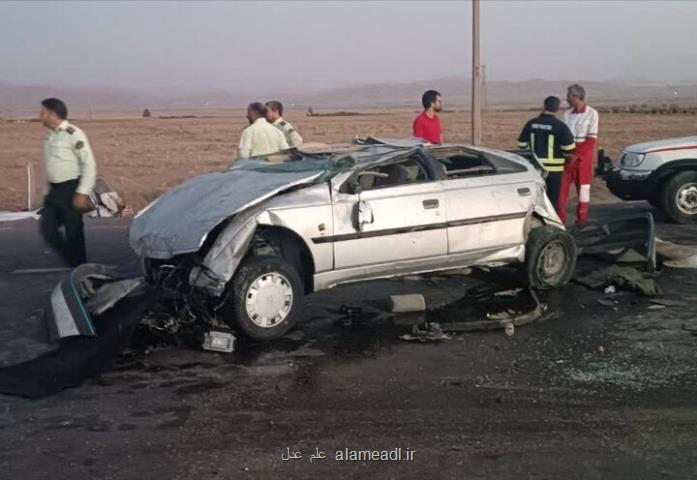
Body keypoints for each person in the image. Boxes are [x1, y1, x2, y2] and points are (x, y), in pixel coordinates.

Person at [39, 98, 97, 267]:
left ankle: (81, 270)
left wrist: (83, 192)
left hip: (71, 188)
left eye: (43, 113)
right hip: (54, 191)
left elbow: (89, 163)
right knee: (47, 229)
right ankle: (74, 263)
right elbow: (51, 166)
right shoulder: (50, 136)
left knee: (74, 234)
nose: (40, 116)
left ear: (52, 114)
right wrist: (46, 193)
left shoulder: (73, 134)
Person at [517, 96, 576, 210]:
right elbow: (569, 148)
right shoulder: (560, 126)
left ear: (544, 106)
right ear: (557, 108)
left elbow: (522, 145)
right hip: (554, 172)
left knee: (535, 202)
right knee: (551, 203)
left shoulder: (531, 123)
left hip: (536, 169)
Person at [558, 84, 599, 225]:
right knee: (561, 191)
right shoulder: (567, 114)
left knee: (583, 191)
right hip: (566, 159)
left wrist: (577, 155)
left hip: (582, 161)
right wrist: (566, 154)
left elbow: (591, 140)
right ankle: (560, 220)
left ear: (576, 97)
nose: (566, 98)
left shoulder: (592, 114)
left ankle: (582, 220)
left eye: (568, 95)